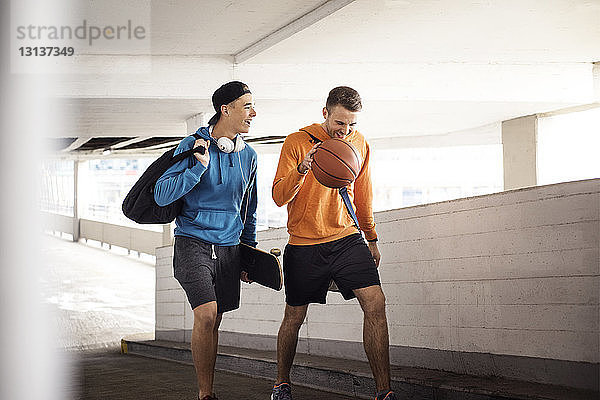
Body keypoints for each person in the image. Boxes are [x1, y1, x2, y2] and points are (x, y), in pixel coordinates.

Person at [270, 86, 397, 400]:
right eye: (340, 123)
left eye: (351, 124)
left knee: (376, 303)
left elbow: (363, 198)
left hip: (346, 239)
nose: (346, 130)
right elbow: (278, 196)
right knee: (294, 317)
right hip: (303, 244)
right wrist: (302, 169)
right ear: (325, 113)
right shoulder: (297, 142)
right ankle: (281, 383)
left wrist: (372, 238)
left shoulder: (359, 143)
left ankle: (384, 392)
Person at [154, 81, 258, 400]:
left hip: (229, 247)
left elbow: (249, 208)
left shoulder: (249, 156)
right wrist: (197, 169)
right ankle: (205, 394)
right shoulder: (192, 144)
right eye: (247, 106)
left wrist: (249, 253)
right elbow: (161, 195)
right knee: (207, 313)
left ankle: (207, 388)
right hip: (192, 242)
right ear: (225, 110)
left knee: (214, 322)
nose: (254, 112)